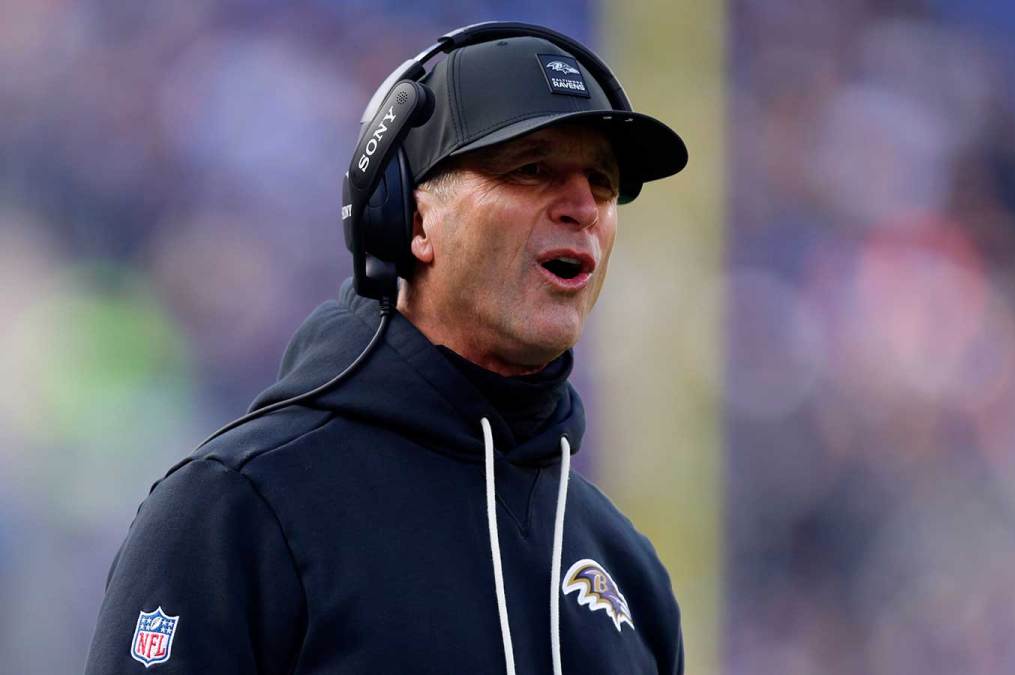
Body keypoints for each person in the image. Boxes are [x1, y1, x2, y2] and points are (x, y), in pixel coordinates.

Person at [84, 23, 688, 674]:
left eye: (601, 181)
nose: (582, 206)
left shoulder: (629, 571)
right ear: (413, 218)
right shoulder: (236, 510)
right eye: (532, 168)